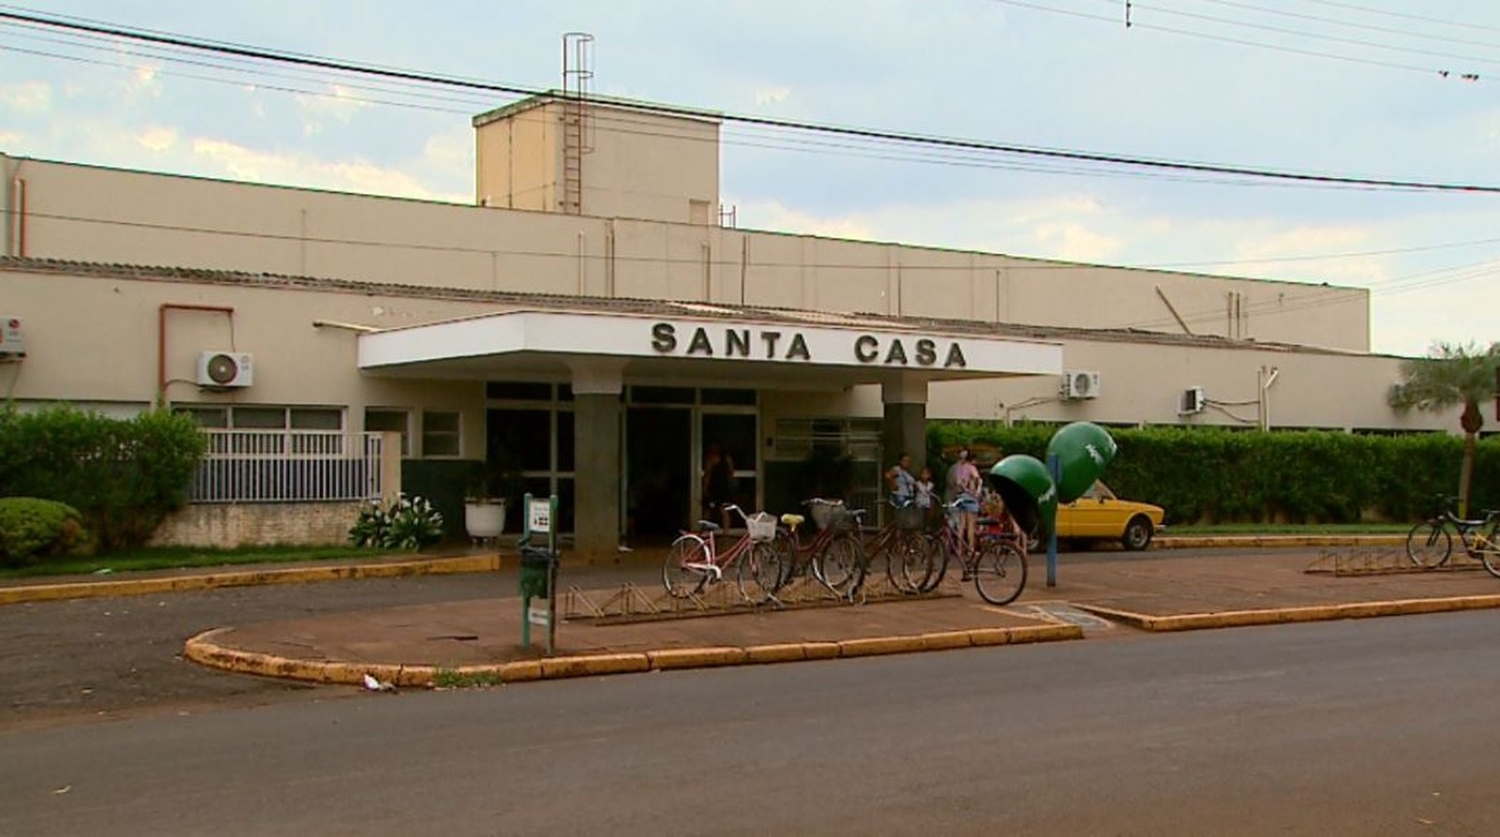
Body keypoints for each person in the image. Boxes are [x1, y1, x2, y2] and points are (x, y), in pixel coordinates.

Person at [949, 448, 982, 553]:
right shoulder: (972, 468)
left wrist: (964, 489)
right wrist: (975, 492)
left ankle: (959, 548)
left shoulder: (959, 468)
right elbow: (977, 479)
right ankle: (970, 549)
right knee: (971, 525)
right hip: (971, 497)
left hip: (961, 496)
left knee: (962, 525)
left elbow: (958, 483)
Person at [702, 442, 736, 530]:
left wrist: (705, 487)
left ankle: (708, 531)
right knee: (715, 510)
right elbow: (731, 472)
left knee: (713, 510)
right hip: (719, 487)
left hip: (717, 488)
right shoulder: (724, 458)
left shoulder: (713, 459)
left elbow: (708, 474)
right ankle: (724, 532)